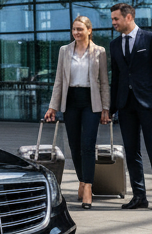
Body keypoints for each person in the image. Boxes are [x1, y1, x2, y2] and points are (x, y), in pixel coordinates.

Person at [110, 2, 152, 212]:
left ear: (128, 17)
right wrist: (110, 108)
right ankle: (139, 196)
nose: (113, 23)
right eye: (112, 19)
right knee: (131, 151)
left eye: (116, 19)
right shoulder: (115, 45)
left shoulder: (150, 39)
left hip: (149, 104)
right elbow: (116, 78)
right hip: (125, 105)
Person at [44, 16, 110, 210]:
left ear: (89, 30)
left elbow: (104, 82)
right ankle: (82, 180)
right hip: (70, 100)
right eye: (74, 29)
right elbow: (59, 81)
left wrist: (106, 108)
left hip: (91, 102)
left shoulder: (100, 52)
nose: (76, 33)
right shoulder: (64, 51)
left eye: (80, 29)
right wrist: (52, 107)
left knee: (87, 145)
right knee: (74, 145)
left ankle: (88, 187)